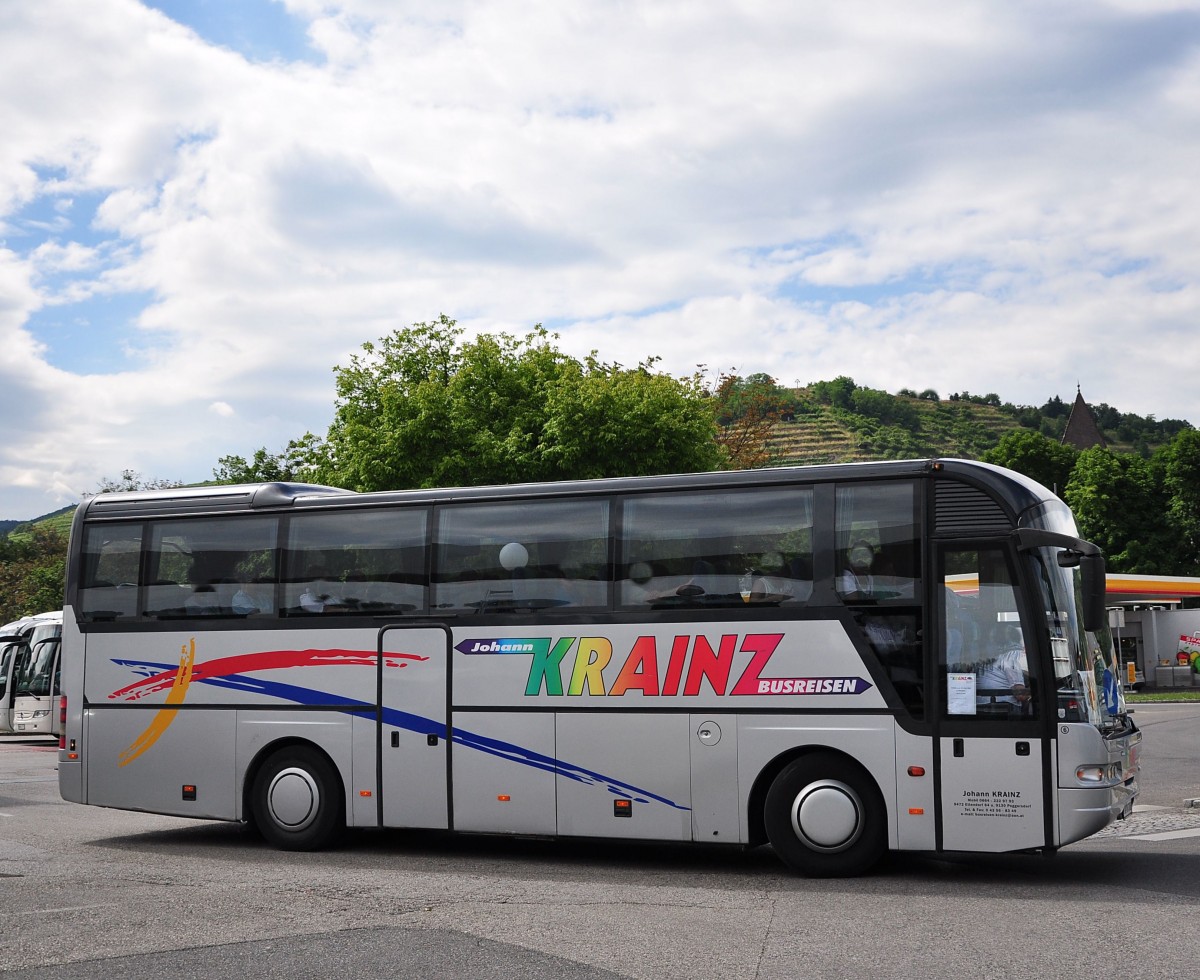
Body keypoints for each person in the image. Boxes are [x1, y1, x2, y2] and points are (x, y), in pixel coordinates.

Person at [976, 625, 1031, 712]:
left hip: (981, 706)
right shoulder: (1010, 658)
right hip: (1002, 708)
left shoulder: (983, 661)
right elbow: (1020, 695)